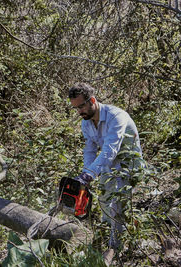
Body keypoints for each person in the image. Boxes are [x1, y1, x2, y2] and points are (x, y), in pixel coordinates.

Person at [68, 82, 144, 261]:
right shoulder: (86, 124)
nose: (79, 112)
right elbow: (90, 150)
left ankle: (115, 248)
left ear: (92, 100)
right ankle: (105, 236)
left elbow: (110, 150)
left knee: (117, 205)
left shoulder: (116, 116)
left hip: (128, 166)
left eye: (81, 106)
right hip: (108, 167)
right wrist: (85, 174)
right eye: (75, 108)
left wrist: (91, 174)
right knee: (103, 199)